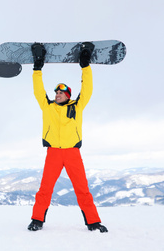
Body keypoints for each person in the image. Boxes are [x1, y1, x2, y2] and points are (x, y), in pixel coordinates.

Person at [27, 42, 108, 233]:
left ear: (68, 95)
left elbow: (87, 89)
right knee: (45, 190)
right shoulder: (48, 107)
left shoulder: (77, 106)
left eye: (61, 92)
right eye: (56, 92)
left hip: (72, 153)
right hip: (53, 153)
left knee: (82, 190)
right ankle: (37, 220)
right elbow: (38, 91)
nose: (57, 94)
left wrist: (85, 66)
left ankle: (93, 222)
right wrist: (37, 69)